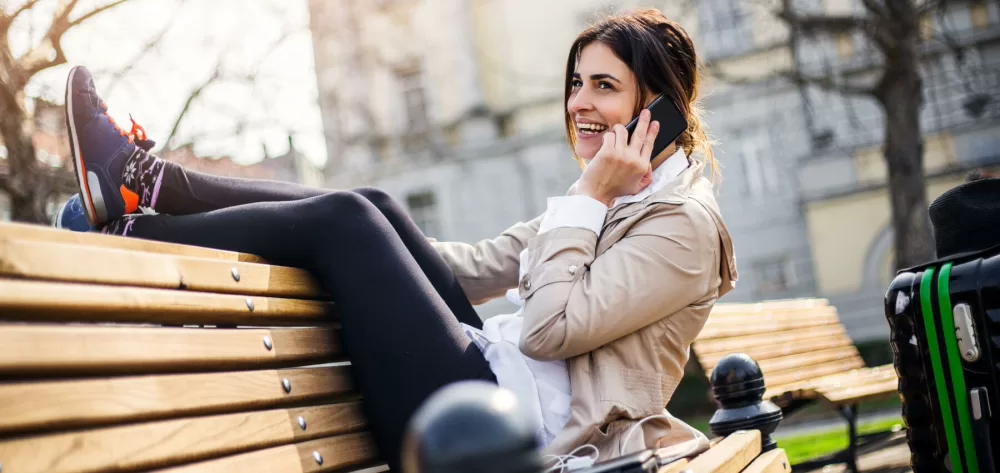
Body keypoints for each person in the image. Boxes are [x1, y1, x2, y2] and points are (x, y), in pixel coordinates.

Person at [60, 8, 736, 471]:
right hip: (495, 390)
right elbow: (474, 268)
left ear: (658, 111)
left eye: (604, 86)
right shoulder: (620, 199)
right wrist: (388, 247)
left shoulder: (680, 226)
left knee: (348, 224)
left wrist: (587, 197)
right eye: (575, 83)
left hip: (520, 441)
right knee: (372, 209)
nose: (577, 103)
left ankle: (134, 216)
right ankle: (144, 187)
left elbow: (549, 331)